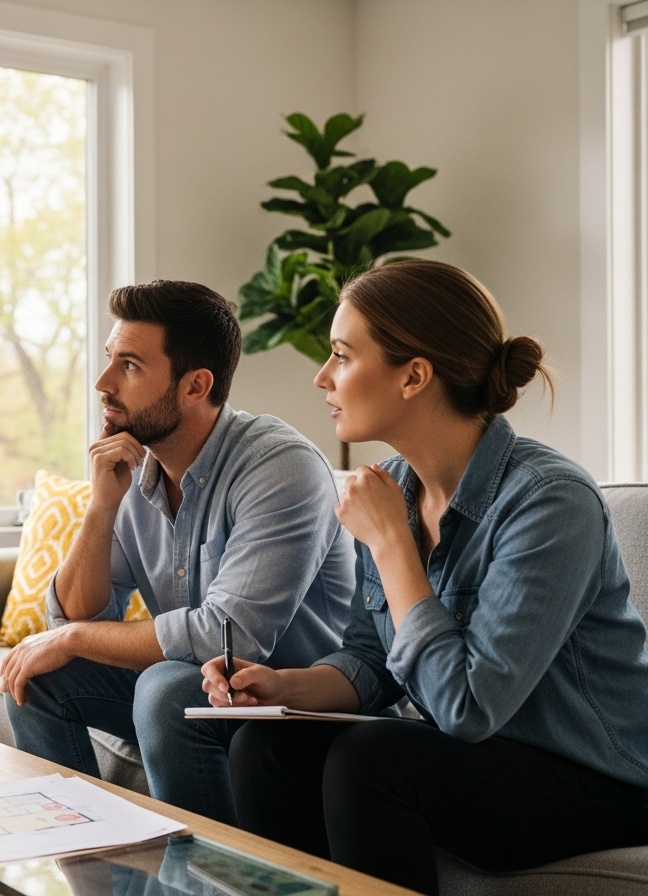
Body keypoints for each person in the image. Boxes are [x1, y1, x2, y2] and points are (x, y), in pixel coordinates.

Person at [206, 259, 648, 895]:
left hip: (602, 781)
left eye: (341, 355)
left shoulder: (551, 503)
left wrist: (391, 544)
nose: (321, 376)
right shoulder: (396, 488)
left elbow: (468, 709)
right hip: (485, 763)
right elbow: (371, 658)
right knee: (265, 747)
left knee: (372, 760)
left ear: (414, 376)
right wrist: (279, 687)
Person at [0, 279, 354, 823]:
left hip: (298, 705)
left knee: (166, 687)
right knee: (38, 675)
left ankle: (197, 879)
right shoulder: (135, 472)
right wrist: (101, 508)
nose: (102, 383)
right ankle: (89, 859)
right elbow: (73, 617)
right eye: (108, 361)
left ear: (195, 385)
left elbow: (227, 636)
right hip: (211, 692)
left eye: (130, 366)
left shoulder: (281, 468)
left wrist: (69, 635)